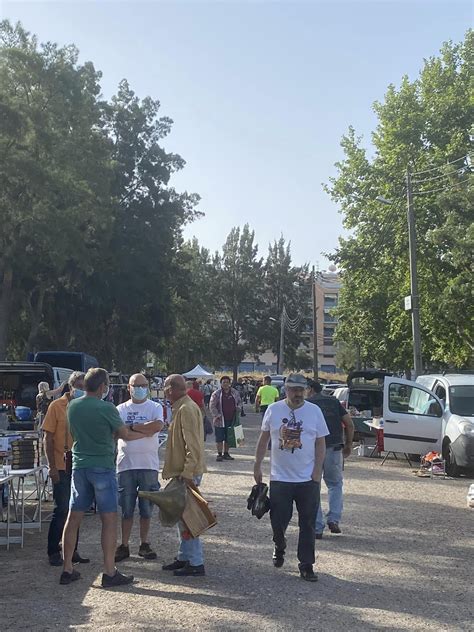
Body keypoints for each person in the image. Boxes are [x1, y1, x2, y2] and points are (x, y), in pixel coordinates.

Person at [61, 368, 147, 587]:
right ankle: (109, 572)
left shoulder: (73, 406)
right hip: (102, 466)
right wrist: (147, 432)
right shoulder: (106, 407)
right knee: (108, 520)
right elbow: (124, 434)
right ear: (102, 386)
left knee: (73, 518)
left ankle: (67, 568)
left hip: (80, 466)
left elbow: (75, 433)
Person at [254, 373, 328, 582]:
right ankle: (279, 544)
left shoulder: (314, 411)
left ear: (306, 390)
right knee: (278, 519)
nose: (297, 394)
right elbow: (263, 440)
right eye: (293, 389)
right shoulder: (274, 410)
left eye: (300, 389)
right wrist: (257, 465)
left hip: (307, 479)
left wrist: (317, 470)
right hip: (280, 477)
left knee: (308, 522)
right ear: (285, 390)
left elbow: (320, 442)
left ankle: (306, 564)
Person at [115, 374, 164, 563]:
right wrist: (144, 430)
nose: (140, 388)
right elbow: (121, 433)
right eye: (136, 385)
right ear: (129, 387)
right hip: (125, 465)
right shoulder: (120, 409)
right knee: (126, 509)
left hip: (148, 465)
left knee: (146, 508)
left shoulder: (155, 407)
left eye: (143, 385)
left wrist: (133, 428)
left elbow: (157, 426)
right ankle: (124, 544)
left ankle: (144, 543)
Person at [161, 374, 207, 577]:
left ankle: (196, 562)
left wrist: (188, 473)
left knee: (189, 519)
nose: (163, 392)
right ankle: (184, 557)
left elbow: (193, 445)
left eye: (164, 388)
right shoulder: (181, 407)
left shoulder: (186, 409)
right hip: (182, 472)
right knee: (182, 518)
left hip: (186, 473)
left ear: (171, 389)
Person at [43, 371, 89, 567]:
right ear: (71, 387)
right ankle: (54, 550)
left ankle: (72, 550)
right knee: (61, 509)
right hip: (61, 465)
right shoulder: (56, 406)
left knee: (76, 509)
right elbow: (48, 438)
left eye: (85, 388)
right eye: (79, 387)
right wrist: (52, 467)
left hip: (79, 464)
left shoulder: (85, 407)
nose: (82, 391)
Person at [306, 380, 354, 537]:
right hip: (334, 447)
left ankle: (317, 527)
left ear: (310, 389)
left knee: (313, 487)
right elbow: (349, 424)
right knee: (335, 484)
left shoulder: (307, 405)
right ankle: (334, 518)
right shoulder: (334, 402)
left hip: (313, 450)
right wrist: (348, 444)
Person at [209, 376, 241, 462]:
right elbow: (212, 406)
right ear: (221, 383)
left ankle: (226, 453)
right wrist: (216, 415)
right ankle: (219, 454)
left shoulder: (235, 393)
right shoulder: (216, 394)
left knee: (228, 437)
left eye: (227, 382)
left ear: (230, 383)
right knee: (219, 438)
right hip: (219, 420)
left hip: (232, 419)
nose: (226, 384)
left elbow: (239, 402)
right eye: (224, 382)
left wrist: (238, 408)